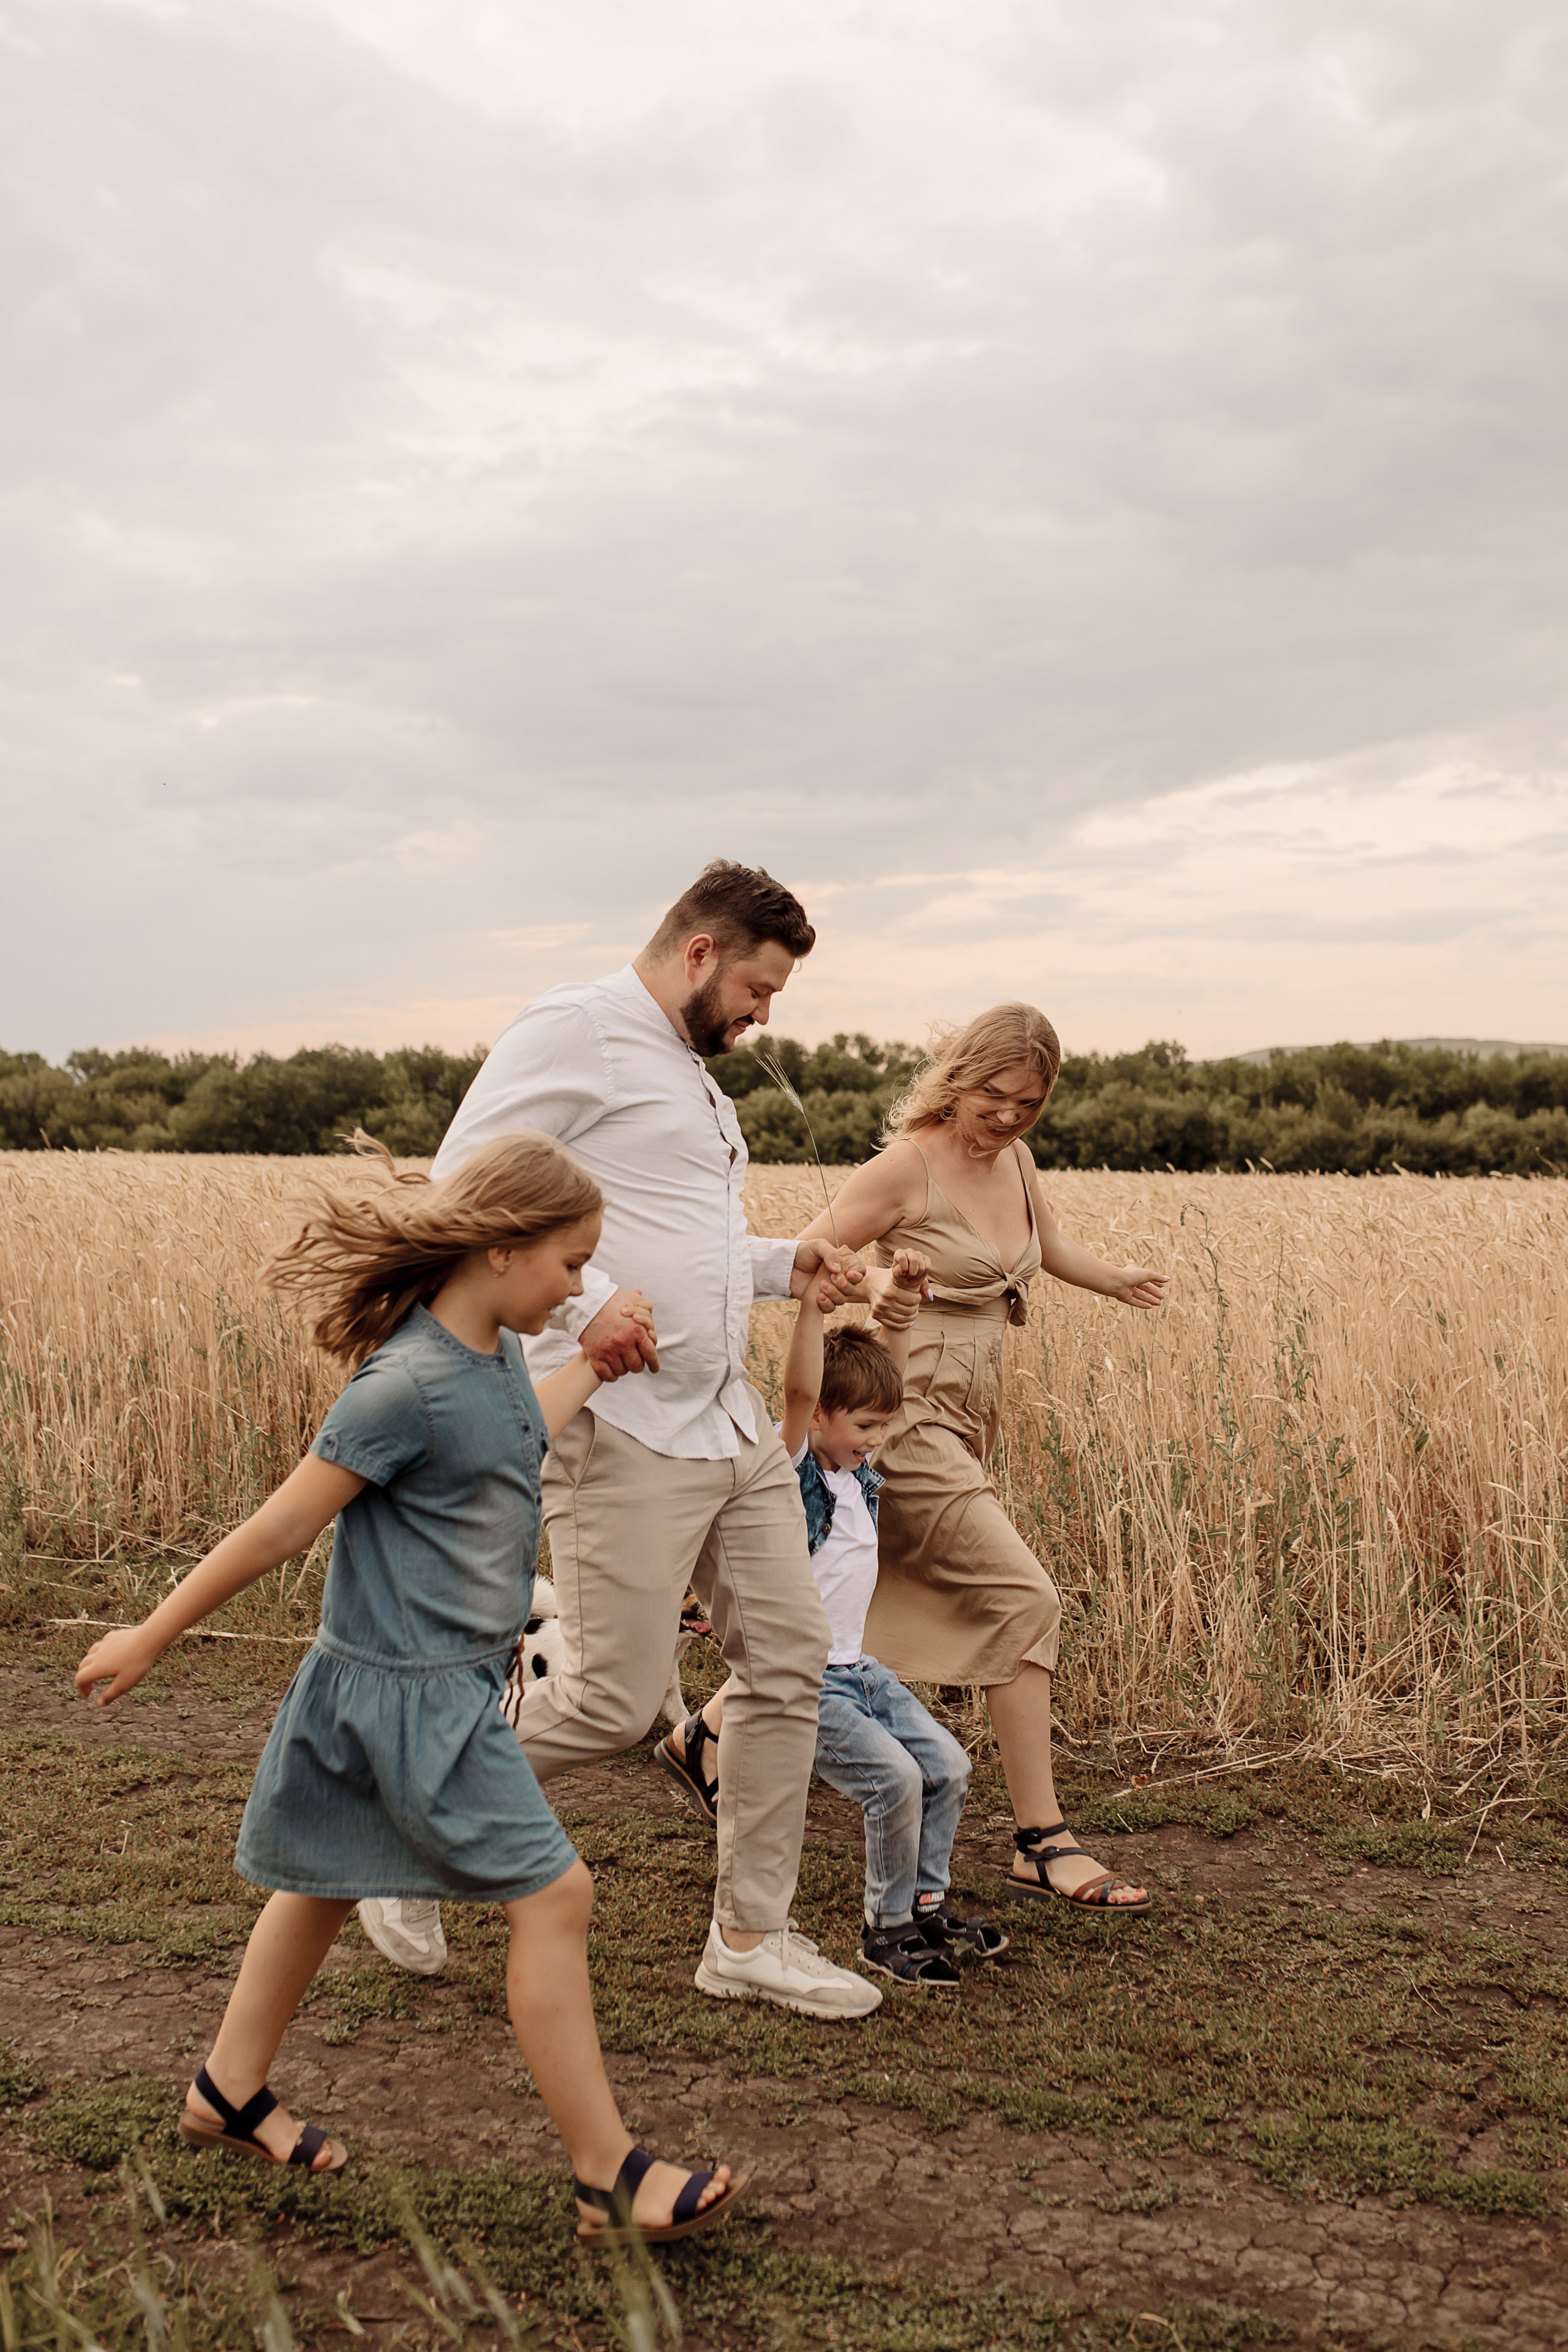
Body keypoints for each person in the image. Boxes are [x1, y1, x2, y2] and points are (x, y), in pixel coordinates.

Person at [73, 1134, 742, 2245]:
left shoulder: (487, 1353)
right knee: (557, 1898)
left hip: (409, 1686)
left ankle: (226, 2091)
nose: (579, 1285)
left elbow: (504, 1442)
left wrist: (593, 1365)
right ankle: (606, 2176)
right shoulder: (405, 1383)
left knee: (324, 1884)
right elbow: (284, 1524)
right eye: (571, 1263)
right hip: (412, 1699)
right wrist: (151, 1635)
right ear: (500, 1248)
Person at [360, 862, 881, 2019]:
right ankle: (404, 1831)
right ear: (700, 953)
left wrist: (782, 1263)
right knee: (610, 1697)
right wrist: (588, 1301)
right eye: (756, 989)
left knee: (789, 1660)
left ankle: (749, 1937)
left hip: (727, 1420)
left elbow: (685, 1240)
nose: (762, 1016)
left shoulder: (692, 1073)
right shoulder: (579, 1028)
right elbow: (463, 1183)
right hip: (623, 1422)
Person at [788, 1003, 1168, 1913]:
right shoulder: (906, 1166)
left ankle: (715, 1734)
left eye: (1028, 1104)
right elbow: (807, 1257)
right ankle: (1042, 1840)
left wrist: (1114, 1279)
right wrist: (887, 1283)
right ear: (958, 1078)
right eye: (993, 1097)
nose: (1007, 1117)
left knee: (860, 1579)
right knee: (1022, 1597)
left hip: (970, 1412)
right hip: (904, 1412)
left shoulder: (1017, 1161)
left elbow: (1046, 1247)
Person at [658, 1251, 1010, 1988]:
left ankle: (925, 1904)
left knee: (948, 1767)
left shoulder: (858, 1473)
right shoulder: (790, 1471)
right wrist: (811, 1311)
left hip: (861, 1671)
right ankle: (886, 1931)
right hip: (809, 1683)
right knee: (894, 1782)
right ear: (819, 1414)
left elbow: (889, 1381)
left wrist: (901, 1298)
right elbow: (797, 1393)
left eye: (880, 1426)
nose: (874, 1437)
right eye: (863, 1425)